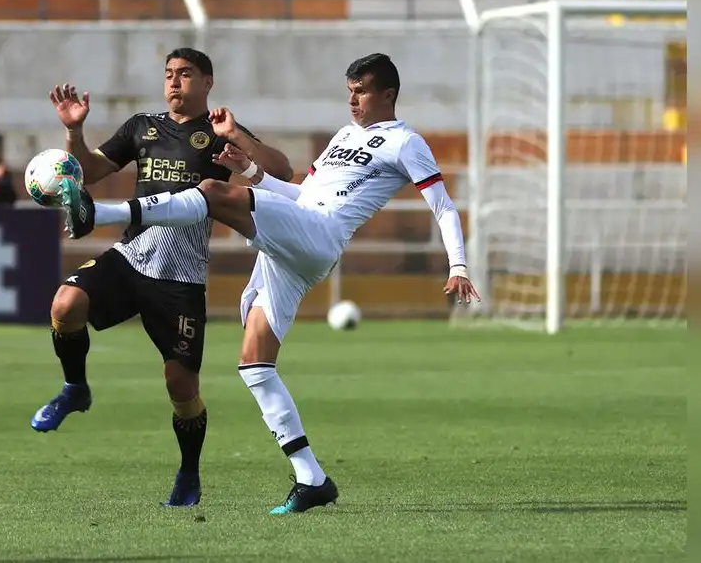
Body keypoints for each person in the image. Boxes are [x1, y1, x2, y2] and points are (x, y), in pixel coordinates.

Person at [60, 53, 481, 514]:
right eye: (349, 91)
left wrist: (457, 265)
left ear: (387, 94)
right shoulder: (344, 137)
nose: (353, 100)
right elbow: (301, 193)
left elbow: (442, 206)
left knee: (210, 192)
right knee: (255, 365)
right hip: (296, 236)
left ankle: (98, 214)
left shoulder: (406, 142)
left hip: (318, 236)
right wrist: (252, 172)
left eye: (360, 92)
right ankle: (312, 478)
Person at [33, 47, 294, 508]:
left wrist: (236, 136)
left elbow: (281, 172)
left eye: (186, 74)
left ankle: (189, 472)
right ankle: (75, 388)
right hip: (131, 256)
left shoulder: (217, 134)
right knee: (64, 305)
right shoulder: (141, 127)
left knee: (182, 388)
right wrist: (74, 131)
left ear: (208, 82)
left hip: (181, 277)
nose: (174, 82)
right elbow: (90, 172)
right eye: (169, 74)